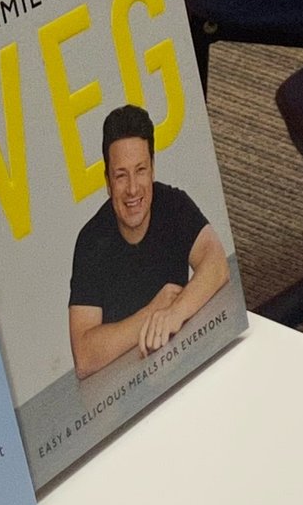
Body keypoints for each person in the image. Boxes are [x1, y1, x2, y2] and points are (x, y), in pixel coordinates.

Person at [68, 104, 230, 379]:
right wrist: (153, 312)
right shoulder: (90, 241)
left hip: (181, 360)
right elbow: (84, 355)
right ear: (107, 182)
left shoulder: (173, 204)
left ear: (152, 169)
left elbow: (217, 263)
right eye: (121, 175)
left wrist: (175, 312)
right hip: (122, 388)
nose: (132, 188)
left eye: (140, 170)